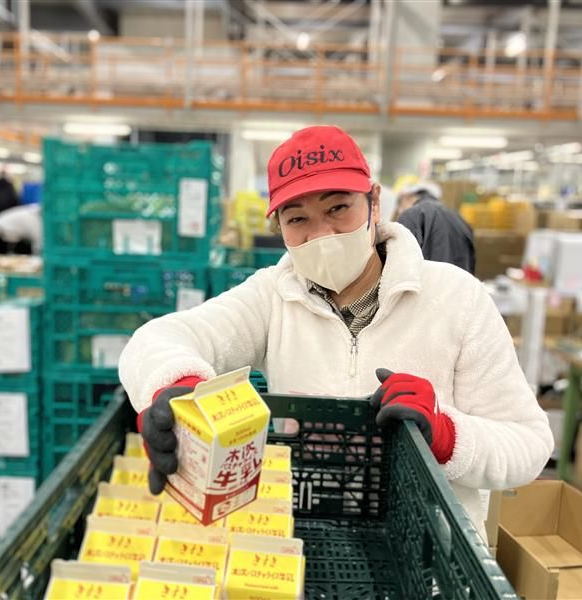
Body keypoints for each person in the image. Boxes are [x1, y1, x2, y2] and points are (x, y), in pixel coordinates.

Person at [119, 126, 553, 540]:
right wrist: (177, 385)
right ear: (280, 229)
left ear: (374, 203)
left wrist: (446, 433)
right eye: (297, 219)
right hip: (309, 541)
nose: (322, 234)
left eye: (338, 208)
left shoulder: (457, 298)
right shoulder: (273, 297)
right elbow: (157, 339)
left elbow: (529, 445)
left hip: (430, 551)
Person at [395, 181, 476, 275]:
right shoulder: (459, 218)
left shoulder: (411, 215)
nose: (399, 210)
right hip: (460, 282)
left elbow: (401, 262)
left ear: (406, 197)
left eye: (399, 203)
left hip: (428, 282)